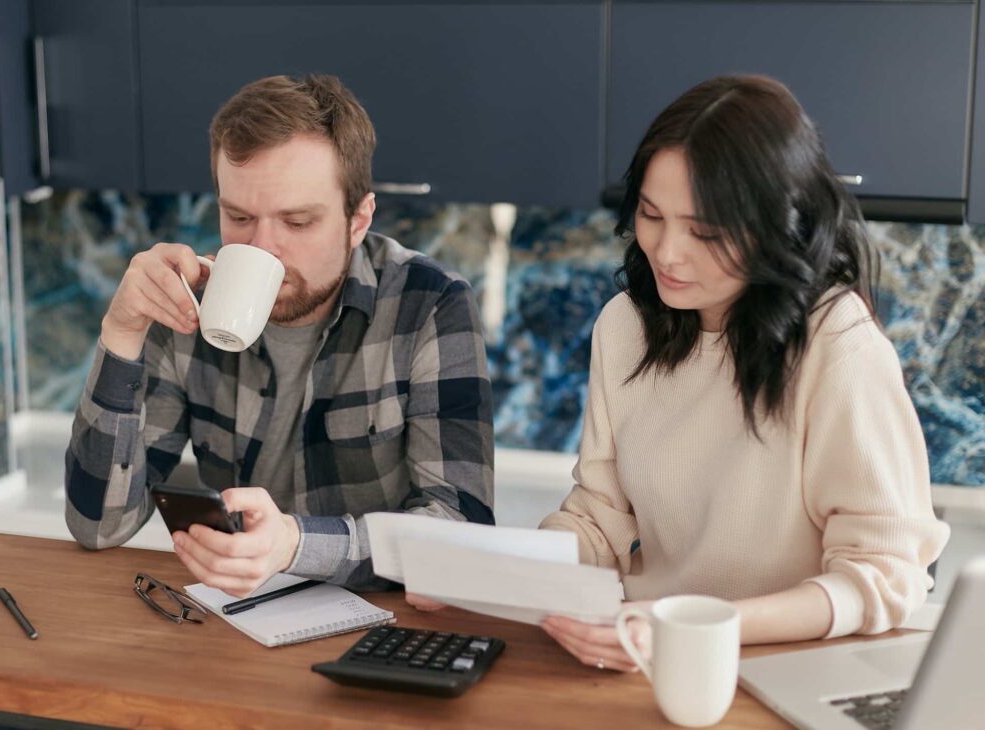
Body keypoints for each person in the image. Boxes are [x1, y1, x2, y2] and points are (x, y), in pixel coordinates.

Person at [534, 75, 948, 672]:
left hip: (792, 671)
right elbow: (600, 519)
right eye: (651, 215)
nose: (667, 252)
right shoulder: (625, 325)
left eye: (706, 231)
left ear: (779, 224)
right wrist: (506, 571)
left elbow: (884, 575)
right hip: (648, 661)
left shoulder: (837, 343)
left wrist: (699, 629)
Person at [65, 74, 494, 594]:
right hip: (236, 618)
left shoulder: (429, 304)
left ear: (358, 220)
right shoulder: (187, 302)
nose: (262, 247)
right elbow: (97, 526)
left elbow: (461, 535)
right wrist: (122, 332)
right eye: (239, 216)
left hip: (378, 621)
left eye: (297, 222)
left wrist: (293, 546)